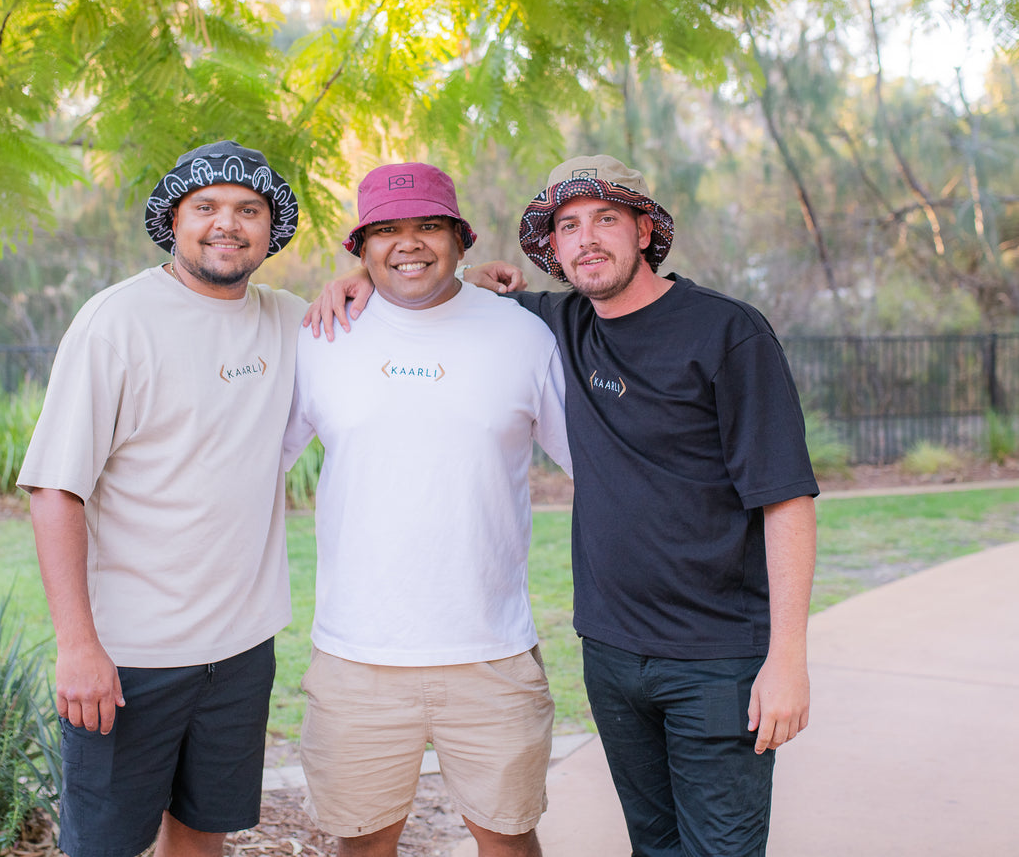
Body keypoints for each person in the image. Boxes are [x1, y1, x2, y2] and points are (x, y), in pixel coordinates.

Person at [308, 155, 819, 857]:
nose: (587, 240)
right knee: (656, 842)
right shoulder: (561, 322)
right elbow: (426, 285)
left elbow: (785, 496)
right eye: (568, 226)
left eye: (605, 219)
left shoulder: (722, 331)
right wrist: (367, 275)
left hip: (715, 650)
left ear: (645, 228)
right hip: (612, 649)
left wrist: (786, 655)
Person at [17, 139, 305, 857]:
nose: (226, 224)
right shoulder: (116, 321)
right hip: (128, 654)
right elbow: (56, 489)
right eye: (204, 206)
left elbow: (393, 312)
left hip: (241, 646)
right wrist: (78, 644)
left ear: (273, 228)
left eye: (248, 209)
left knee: (203, 831)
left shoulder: (290, 321)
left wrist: (374, 280)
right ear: (171, 221)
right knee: (104, 845)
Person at [283, 162, 572, 857]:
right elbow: (251, 468)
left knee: (509, 838)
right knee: (362, 844)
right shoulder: (321, 337)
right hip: (357, 654)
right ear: (360, 248)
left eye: (427, 226)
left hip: (491, 650)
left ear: (460, 239)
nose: (407, 244)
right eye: (386, 230)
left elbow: (599, 470)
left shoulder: (523, 335)